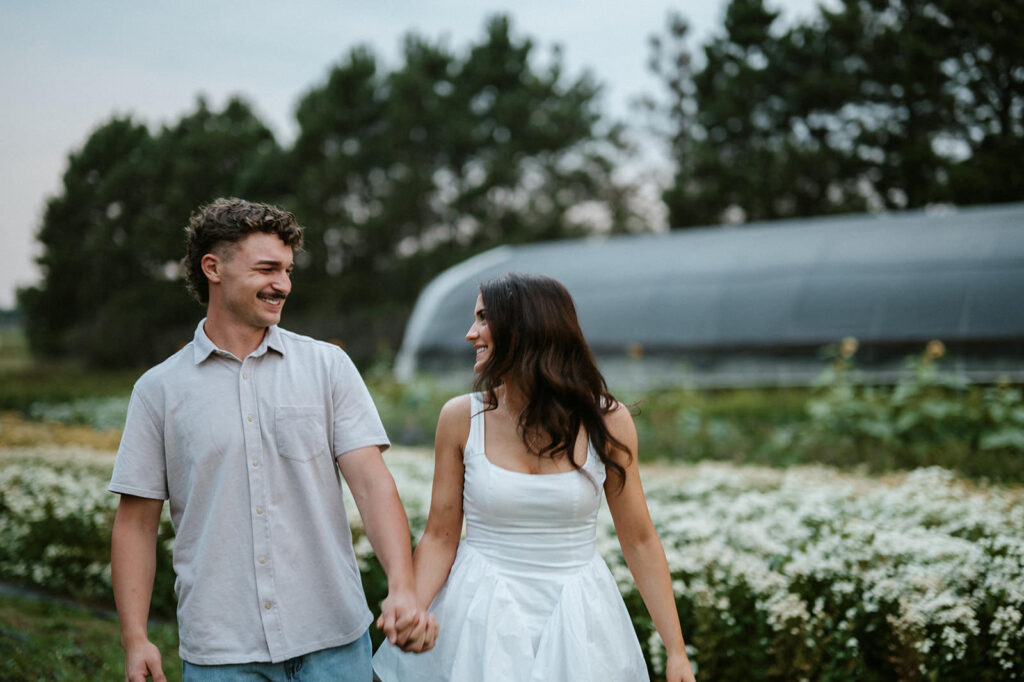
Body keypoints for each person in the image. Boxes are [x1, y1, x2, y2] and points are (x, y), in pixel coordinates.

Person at [109, 198, 437, 682]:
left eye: (287, 270)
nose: (282, 284)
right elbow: (135, 524)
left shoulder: (328, 367)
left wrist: (402, 587)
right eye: (266, 268)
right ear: (213, 268)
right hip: (222, 651)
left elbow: (371, 484)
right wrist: (135, 638)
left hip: (333, 642)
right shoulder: (159, 390)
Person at [373, 272, 696, 681]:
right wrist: (412, 611)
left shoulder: (608, 421)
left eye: (484, 318)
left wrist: (676, 651)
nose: (471, 333)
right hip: (478, 614)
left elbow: (640, 538)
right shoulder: (460, 418)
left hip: (578, 616)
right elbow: (440, 535)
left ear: (525, 327)